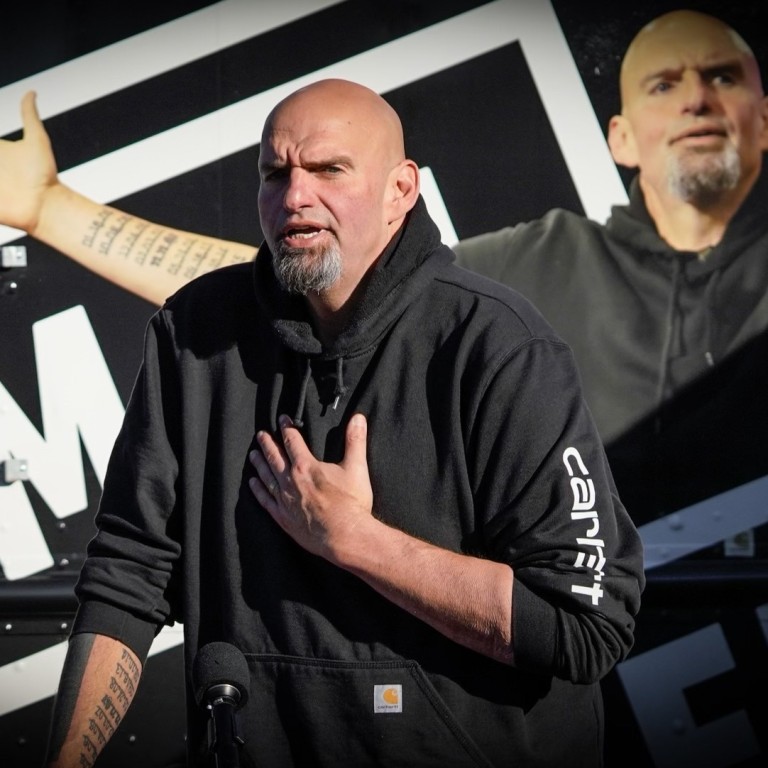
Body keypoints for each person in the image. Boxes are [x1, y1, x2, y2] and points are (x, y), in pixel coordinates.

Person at [42, 79, 643, 767]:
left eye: (329, 169)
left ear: (400, 190)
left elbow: (585, 625)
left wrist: (358, 541)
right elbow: (128, 572)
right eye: (275, 173)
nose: (295, 195)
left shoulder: (498, 345)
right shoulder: (194, 333)